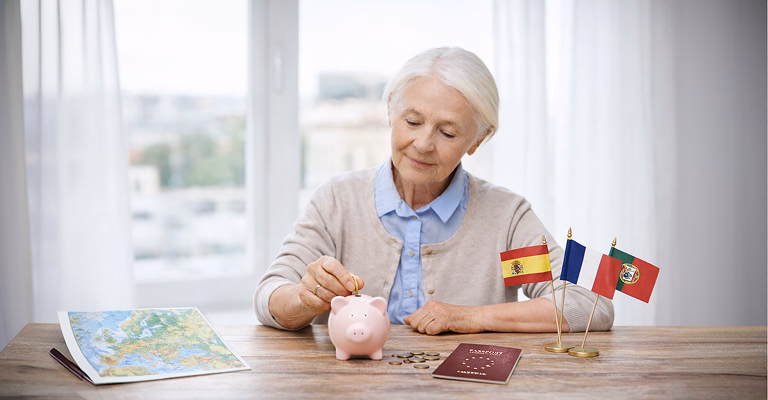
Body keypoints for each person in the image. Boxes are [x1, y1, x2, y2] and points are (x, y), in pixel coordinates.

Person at [254, 47, 613, 335]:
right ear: (391, 111)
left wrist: (471, 317)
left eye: (448, 132)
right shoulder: (337, 201)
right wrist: (306, 299)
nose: (422, 144)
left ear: (478, 139)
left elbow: (586, 302)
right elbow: (269, 295)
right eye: (412, 121)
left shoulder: (505, 219)